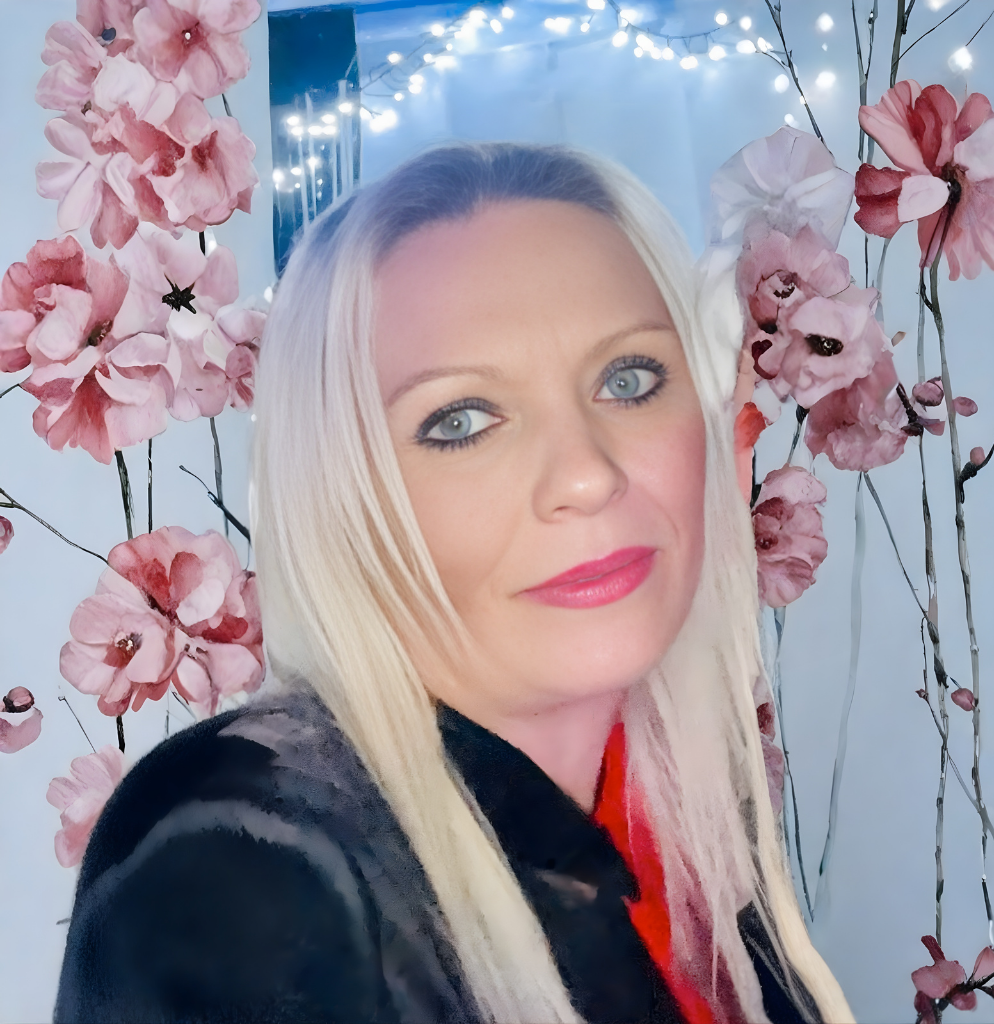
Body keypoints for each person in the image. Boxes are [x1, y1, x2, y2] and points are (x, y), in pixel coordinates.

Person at [54, 142, 853, 1024]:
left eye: (628, 379)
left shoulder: (683, 805)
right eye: (462, 420)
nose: (587, 475)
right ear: (343, 494)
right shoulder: (239, 851)